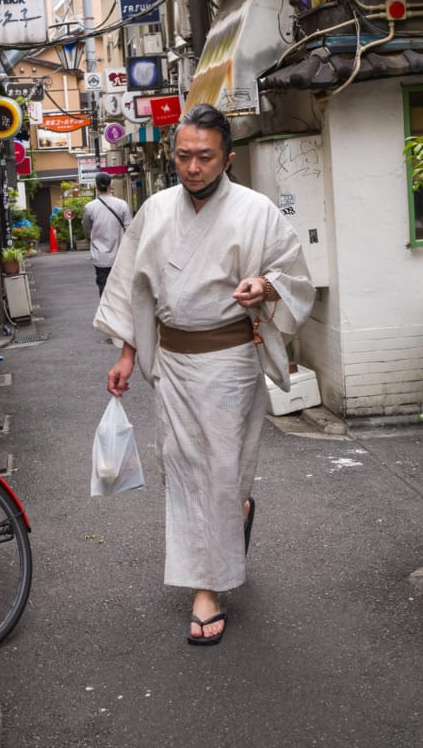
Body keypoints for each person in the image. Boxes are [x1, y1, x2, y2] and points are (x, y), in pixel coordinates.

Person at [92, 103, 313, 646]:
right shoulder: (156, 210)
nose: (192, 167)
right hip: (172, 362)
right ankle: (210, 574)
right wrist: (126, 354)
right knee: (188, 471)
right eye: (184, 155)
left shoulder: (257, 211)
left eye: (204, 157)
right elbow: (131, 287)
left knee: (218, 469)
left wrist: (264, 285)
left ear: (228, 157)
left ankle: (210, 584)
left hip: (231, 361)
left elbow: (294, 276)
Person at [82, 172, 133, 295]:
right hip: (120, 256)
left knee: (104, 289)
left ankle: (106, 313)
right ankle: (122, 313)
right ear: (111, 184)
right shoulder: (122, 205)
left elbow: (86, 228)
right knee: (122, 290)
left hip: (100, 257)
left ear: (95, 185)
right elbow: (130, 230)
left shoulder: (90, 207)